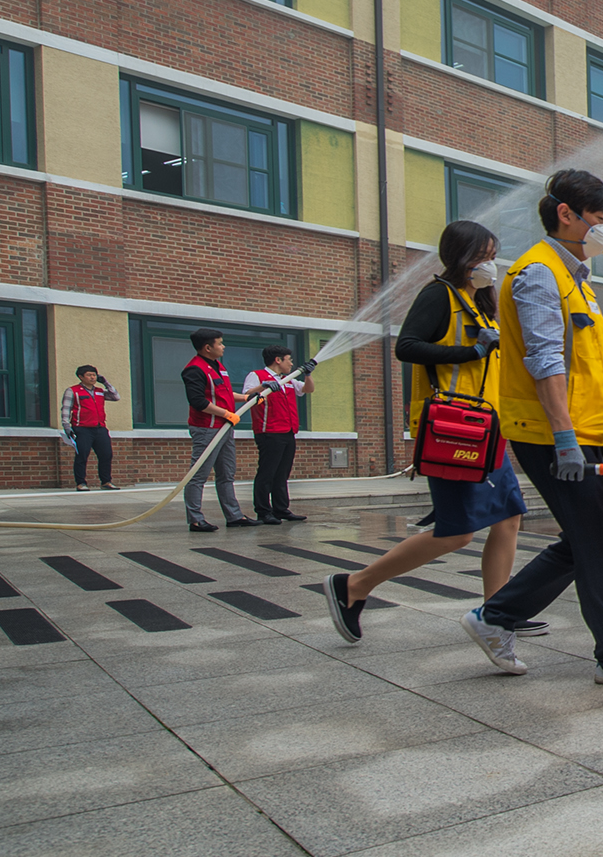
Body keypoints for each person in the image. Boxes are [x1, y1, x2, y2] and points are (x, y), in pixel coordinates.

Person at [459, 170, 603, 686]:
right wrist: (563, 438)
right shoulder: (539, 273)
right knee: (596, 537)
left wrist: (594, 430)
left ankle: (495, 617)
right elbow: (545, 360)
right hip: (548, 433)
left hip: (579, 431)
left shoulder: (576, 278)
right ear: (567, 214)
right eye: (599, 221)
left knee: (585, 537)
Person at [323, 222, 536, 645]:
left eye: (493, 255)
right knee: (456, 533)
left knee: (509, 518)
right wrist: (472, 349)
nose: (490, 265)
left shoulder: (477, 302)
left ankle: (496, 612)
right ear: (459, 256)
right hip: (453, 432)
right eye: (482, 256)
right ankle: (354, 586)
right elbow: (408, 346)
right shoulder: (439, 295)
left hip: (486, 431)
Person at [181, 329, 263, 533]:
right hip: (207, 429)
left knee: (226, 474)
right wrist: (227, 414)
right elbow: (198, 401)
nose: (223, 346)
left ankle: (234, 516)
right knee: (198, 475)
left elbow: (224, 393)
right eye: (220, 343)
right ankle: (195, 519)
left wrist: (246, 398)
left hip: (225, 428)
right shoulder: (194, 370)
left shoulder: (218, 367)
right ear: (208, 347)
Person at [244, 346, 309, 523]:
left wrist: (308, 375)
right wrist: (263, 386)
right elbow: (247, 395)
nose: (292, 363)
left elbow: (308, 389)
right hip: (269, 432)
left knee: (282, 473)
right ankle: (264, 511)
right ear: (278, 360)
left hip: (288, 431)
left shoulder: (287, 380)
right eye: (289, 359)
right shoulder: (257, 375)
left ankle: (281, 509)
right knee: (267, 473)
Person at [61, 365, 119, 491]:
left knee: (106, 455)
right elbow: (66, 409)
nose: (92, 377)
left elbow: (115, 397)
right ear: (81, 377)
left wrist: (105, 382)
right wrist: (66, 426)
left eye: (94, 375)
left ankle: (106, 481)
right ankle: (81, 482)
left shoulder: (99, 391)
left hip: (100, 428)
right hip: (82, 428)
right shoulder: (73, 391)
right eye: (89, 375)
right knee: (82, 455)